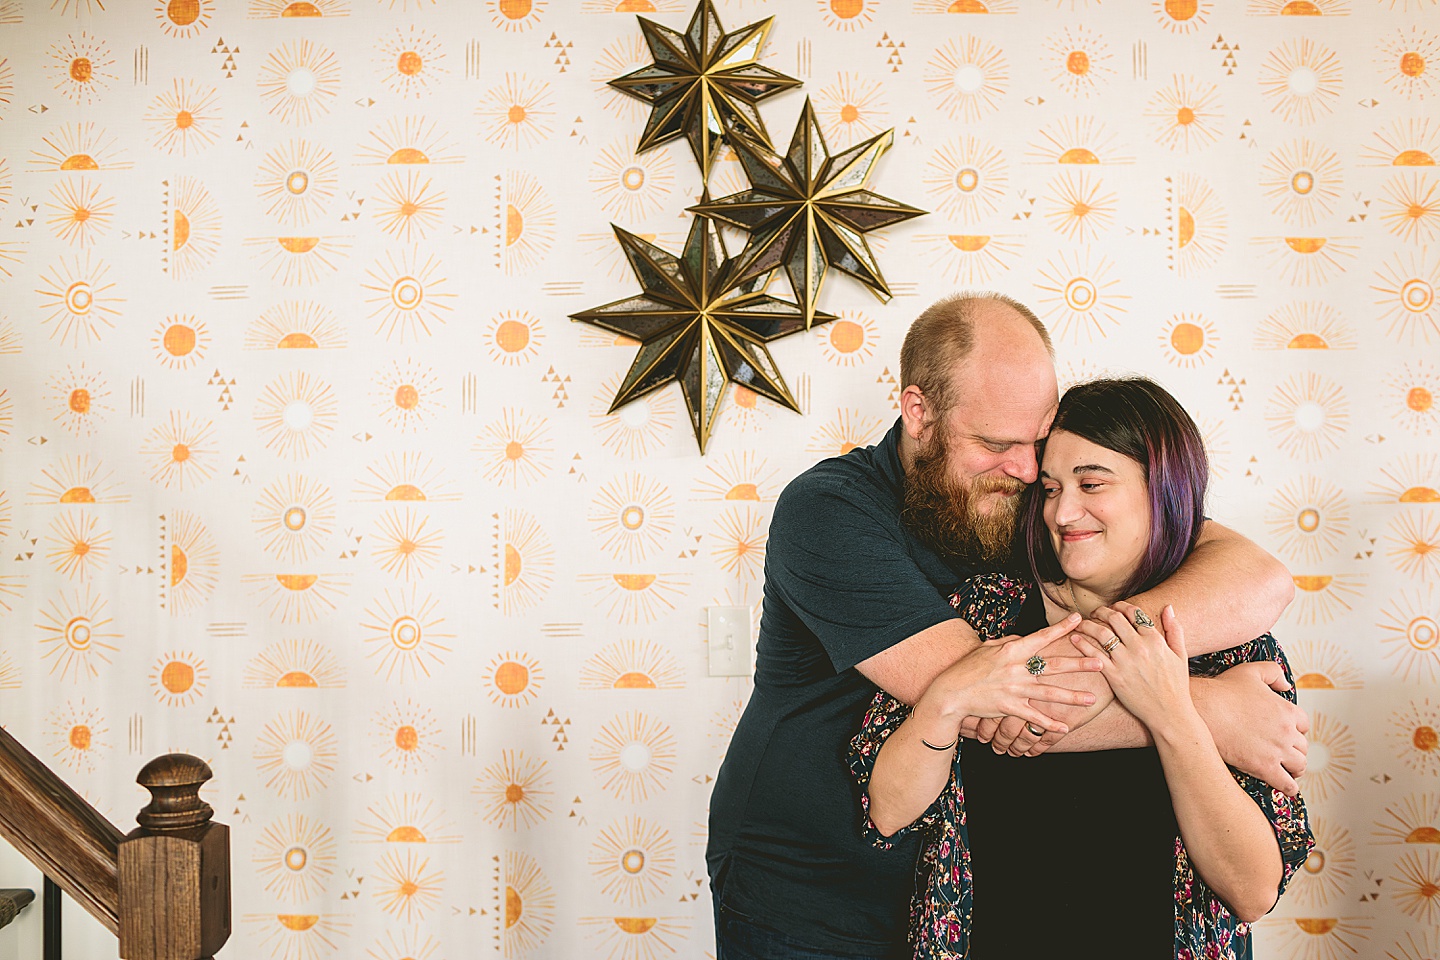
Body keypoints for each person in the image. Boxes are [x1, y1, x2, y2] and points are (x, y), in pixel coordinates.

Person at [707, 292, 1309, 960]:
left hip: (942, 902)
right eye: (998, 444)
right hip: (811, 889)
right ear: (919, 414)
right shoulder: (829, 512)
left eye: (1038, 444)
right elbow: (984, 698)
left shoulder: (1028, 503)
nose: (1028, 473)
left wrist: (1150, 656)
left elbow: (1259, 576)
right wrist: (1198, 709)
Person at [851, 377, 1314, 959]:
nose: (1064, 511)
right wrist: (949, 700)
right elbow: (888, 812)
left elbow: (1252, 892)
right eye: (1049, 489)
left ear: (1164, 491)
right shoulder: (987, 609)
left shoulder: (1233, 643)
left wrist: (1173, 712)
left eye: (1091, 483)